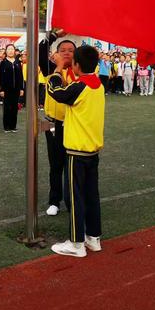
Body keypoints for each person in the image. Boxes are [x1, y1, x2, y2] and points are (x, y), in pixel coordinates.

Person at [48, 45, 105, 258]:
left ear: (76, 65)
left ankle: (76, 243)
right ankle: (93, 238)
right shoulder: (97, 84)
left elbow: (56, 92)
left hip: (77, 152)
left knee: (75, 198)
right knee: (92, 196)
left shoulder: (80, 86)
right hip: (92, 151)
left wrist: (57, 69)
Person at [39, 30, 77, 217]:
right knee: (55, 165)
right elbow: (40, 50)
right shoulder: (50, 69)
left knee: (71, 164)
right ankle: (54, 201)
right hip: (51, 123)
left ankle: (71, 199)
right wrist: (54, 34)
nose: (67, 53)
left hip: (72, 124)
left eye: (71, 50)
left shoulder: (79, 73)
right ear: (56, 53)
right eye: (63, 50)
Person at [0, 44, 24, 133]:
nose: (10, 51)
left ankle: (13, 126)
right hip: (6, 89)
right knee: (7, 108)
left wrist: (21, 88)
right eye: (8, 49)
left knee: (14, 108)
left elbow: (21, 76)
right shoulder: (3, 62)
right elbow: (1, 77)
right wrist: (1, 90)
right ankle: (7, 127)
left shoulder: (17, 62)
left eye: (12, 49)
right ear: (6, 51)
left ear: (14, 51)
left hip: (16, 89)